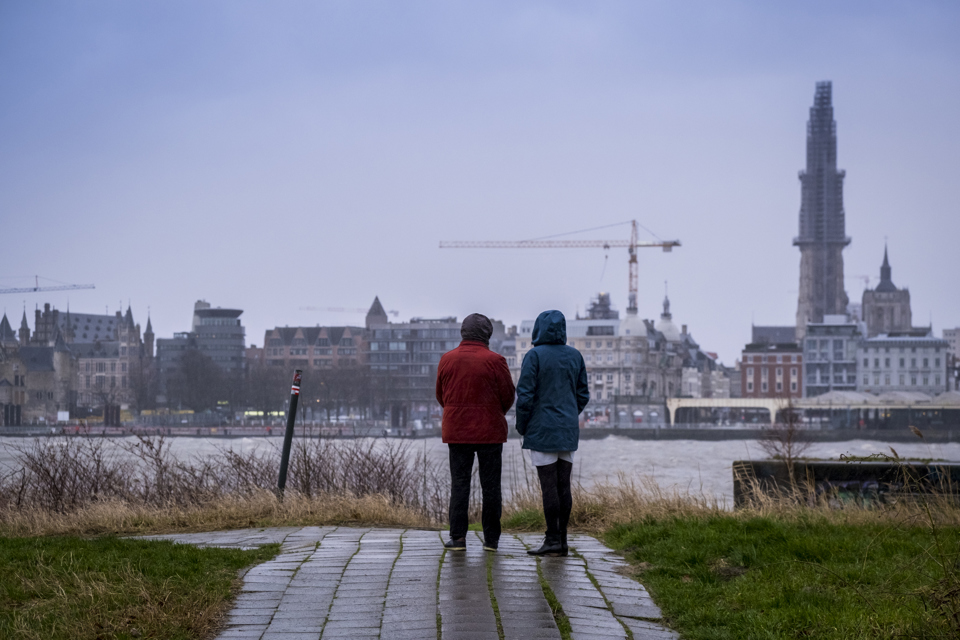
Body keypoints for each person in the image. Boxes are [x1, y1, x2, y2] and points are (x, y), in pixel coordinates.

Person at [436, 313, 516, 551]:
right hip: (489, 431)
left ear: (463, 332)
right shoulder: (496, 360)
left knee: (459, 484)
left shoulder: (446, 360)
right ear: (487, 334)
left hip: (457, 430)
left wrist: (456, 411)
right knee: (490, 486)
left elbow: (441, 396)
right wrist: (492, 411)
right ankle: (491, 540)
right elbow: (508, 396)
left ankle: (458, 537)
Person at [515, 310, 589, 557]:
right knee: (563, 485)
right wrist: (569, 413)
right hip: (567, 430)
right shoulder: (575, 356)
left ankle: (552, 539)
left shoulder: (534, 355)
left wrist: (522, 425)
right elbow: (583, 394)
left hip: (542, 429)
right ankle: (563, 539)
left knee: (548, 487)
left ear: (538, 329)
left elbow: (525, 395)